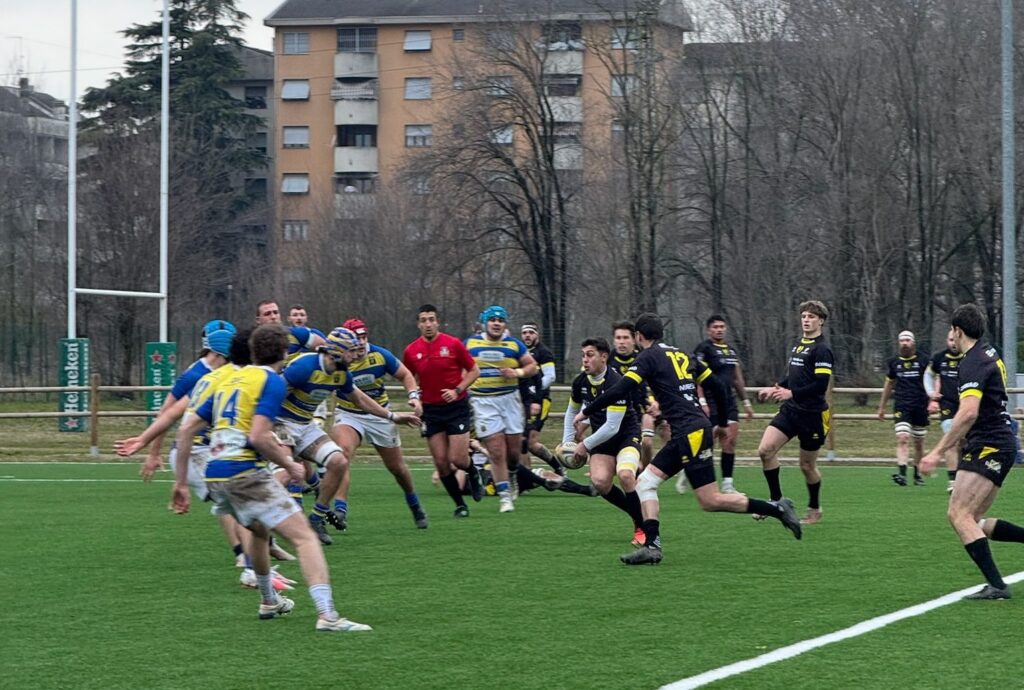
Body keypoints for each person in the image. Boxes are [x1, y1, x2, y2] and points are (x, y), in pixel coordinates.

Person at [172, 322, 372, 631]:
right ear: (284, 352)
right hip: (243, 472)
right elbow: (259, 435)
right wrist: (288, 464)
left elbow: (186, 429)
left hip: (214, 473)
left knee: (260, 531)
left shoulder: (228, 379)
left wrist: (181, 482)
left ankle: (269, 600)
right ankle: (328, 616)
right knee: (305, 538)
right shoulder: (270, 381)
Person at [579, 313, 802, 565]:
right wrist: (720, 422)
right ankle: (652, 546)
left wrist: (586, 411)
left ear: (639, 336)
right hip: (690, 431)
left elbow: (621, 389)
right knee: (644, 483)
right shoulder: (682, 354)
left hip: (690, 433)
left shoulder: (647, 356)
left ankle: (777, 508)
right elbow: (718, 386)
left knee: (710, 500)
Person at [277, 327, 420, 546]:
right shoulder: (304, 367)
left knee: (338, 462)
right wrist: (265, 428)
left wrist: (393, 416)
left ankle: (316, 518)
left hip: (305, 426)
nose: (355, 355)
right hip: (281, 422)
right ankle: (261, 519)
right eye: (351, 351)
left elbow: (360, 400)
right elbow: (273, 395)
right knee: (287, 474)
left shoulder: (342, 373)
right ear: (337, 352)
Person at [920, 304, 1022, 600]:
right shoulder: (989, 352)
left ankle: (998, 586)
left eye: (951, 330)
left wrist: (937, 452)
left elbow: (968, 413)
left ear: (957, 331)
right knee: (973, 518)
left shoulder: (973, 362)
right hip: (997, 441)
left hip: (990, 444)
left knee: (959, 513)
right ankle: (997, 584)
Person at [329, 318, 429, 530]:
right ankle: (340, 510)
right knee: (342, 454)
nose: (361, 342)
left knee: (397, 468)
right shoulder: (339, 360)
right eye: (356, 338)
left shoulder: (380, 355)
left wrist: (413, 397)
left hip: (380, 416)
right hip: (349, 413)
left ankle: (414, 503)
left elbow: (405, 374)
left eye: (364, 337)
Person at [756, 300, 833, 525]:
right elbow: (795, 377)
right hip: (791, 411)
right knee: (765, 451)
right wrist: (776, 388)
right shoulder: (799, 345)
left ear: (821, 321)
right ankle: (776, 502)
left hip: (813, 416)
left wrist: (791, 393)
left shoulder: (822, 349)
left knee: (807, 466)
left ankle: (815, 508)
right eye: (804, 316)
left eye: (811, 316)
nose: (806, 320)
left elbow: (820, 384)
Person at [403, 304, 484, 517]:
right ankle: (460, 505)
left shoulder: (453, 344)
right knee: (441, 462)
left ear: (438, 322)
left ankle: (473, 471)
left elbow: (474, 371)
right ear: (418, 324)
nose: (428, 324)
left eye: (431, 319)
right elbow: (407, 378)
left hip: (456, 408)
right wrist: (414, 398)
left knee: (458, 459)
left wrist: (457, 390)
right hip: (431, 411)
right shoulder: (411, 350)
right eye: (423, 320)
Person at [562, 337, 645, 545]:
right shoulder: (580, 382)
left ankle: (641, 527)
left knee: (625, 475)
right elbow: (571, 411)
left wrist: (584, 444)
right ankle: (638, 513)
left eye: (590, 355)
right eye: (583, 355)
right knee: (599, 482)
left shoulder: (616, 383)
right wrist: (567, 443)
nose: (585, 360)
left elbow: (612, 426)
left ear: (604, 357)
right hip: (602, 440)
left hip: (626, 436)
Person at [464, 305, 538, 513]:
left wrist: (517, 372)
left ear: (505, 324)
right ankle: (505, 497)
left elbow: (532, 366)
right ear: (485, 323)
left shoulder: (514, 345)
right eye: (493, 320)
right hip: (483, 402)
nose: (496, 323)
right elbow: (458, 366)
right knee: (496, 450)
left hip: (509, 400)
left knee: (514, 451)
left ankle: (512, 474)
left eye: (500, 320)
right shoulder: (470, 344)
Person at [692, 315, 755, 494]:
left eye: (722, 327)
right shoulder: (704, 349)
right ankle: (692, 470)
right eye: (715, 327)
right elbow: (698, 377)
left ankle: (727, 484)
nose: (719, 330)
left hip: (729, 402)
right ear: (708, 330)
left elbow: (737, 379)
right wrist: (702, 401)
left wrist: (746, 402)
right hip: (710, 401)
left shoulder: (731, 351)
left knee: (730, 441)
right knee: (708, 442)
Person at [877, 330, 930, 487]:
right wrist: (882, 406)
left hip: (920, 406)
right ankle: (902, 474)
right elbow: (889, 384)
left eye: (907, 340)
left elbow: (932, 380)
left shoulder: (924, 361)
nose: (904, 343)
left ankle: (917, 474)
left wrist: (933, 400)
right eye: (902, 341)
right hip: (902, 405)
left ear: (913, 342)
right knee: (903, 437)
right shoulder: (894, 362)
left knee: (918, 443)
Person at [611, 320, 660, 466]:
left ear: (634, 339)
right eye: (618, 338)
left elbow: (658, 381)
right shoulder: (607, 360)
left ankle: (647, 472)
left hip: (641, 410)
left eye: (626, 338)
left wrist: (654, 400)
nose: (621, 342)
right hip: (615, 413)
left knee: (649, 442)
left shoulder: (644, 357)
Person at [518, 322, 562, 475]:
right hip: (523, 402)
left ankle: (558, 467)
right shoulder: (520, 351)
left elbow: (550, 376)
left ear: (537, 334)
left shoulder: (543, 352)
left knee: (530, 442)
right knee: (521, 441)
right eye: (525, 333)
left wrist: (534, 392)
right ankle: (527, 476)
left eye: (531, 332)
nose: (527, 336)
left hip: (540, 401)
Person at [927, 333, 965, 493]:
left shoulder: (969, 356)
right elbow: (928, 375)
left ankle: (963, 476)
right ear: (947, 341)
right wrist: (932, 394)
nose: (953, 343)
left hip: (967, 404)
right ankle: (953, 481)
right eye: (950, 340)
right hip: (947, 404)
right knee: (951, 440)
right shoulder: (939, 358)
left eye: (956, 339)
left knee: (964, 443)